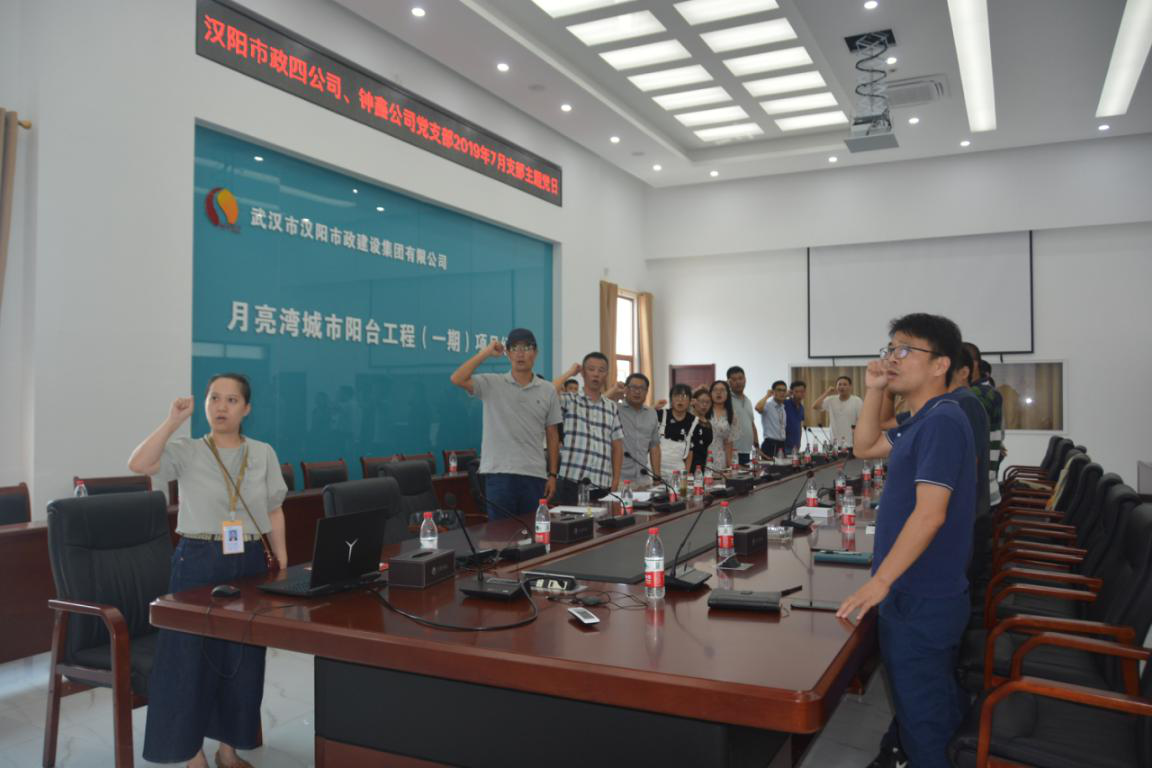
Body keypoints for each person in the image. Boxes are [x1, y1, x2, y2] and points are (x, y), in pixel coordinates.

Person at [128, 373, 288, 768]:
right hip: (198, 559)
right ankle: (192, 753)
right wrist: (172, 422)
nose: (221, 407)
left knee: (242, 658)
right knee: (188, 658)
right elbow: (139, 464)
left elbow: (274, 509)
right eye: (214, 398)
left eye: (231, 400)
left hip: (249, 560)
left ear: (246, 409)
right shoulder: (188, 450)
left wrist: (281, 560)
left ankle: (228, 750)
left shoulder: (263, 452)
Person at [839, 313, 975, 768]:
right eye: (889, 349)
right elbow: (864, 447)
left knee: (924, 726)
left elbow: (930, 514)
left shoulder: (943, 421)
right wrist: (874, 388)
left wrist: (880, 582)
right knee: (930, 707)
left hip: (921, 595)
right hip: (913, 588)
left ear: (940, 364)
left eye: (904, 350)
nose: (892, 359)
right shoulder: (924, 419)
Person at [450, 329, 561, 520]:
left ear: (535, 353)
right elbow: (457, 378)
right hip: (499, 473)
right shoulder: (492, 383)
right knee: (500, 534)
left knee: (532, 532)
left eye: (526, 348)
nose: (520, 353)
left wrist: (552, 474)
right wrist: (486, 352)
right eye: (514, 348)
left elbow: (552, 434)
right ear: (508, 353)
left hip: (534, 474)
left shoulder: (548, 390)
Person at [552, 353, 624, 503]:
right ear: (583, 373)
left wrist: (615, 480)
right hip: (571, 482)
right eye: (591, 369)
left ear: (606, 375)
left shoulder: (611, 407)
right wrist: (570, 372)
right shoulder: (570, 400)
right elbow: (548, 392)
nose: (596, 374)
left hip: (602, 483)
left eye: (601, 370)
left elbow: (617, 446)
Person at [964, 342, 1005, 506]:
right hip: (982, 490)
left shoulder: (978, 396)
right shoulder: (980, 392)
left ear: (972, 365)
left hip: (976, 493)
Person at [613, 373, 661, 485]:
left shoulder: (651, 413)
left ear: (647, 391)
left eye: (642, 388)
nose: (637, 392)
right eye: (633, 387)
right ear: (626, 389)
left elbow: (654, 447)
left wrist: (657, 477)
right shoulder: (615, 409)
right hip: (620, 479)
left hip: (644, 479)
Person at [655, 384, 710, 478]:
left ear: (690, 401)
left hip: (678, 471)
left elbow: (690, 451)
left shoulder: (694, 421)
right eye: (676, 396)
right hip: (656, 469)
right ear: (671, 399)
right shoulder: (660, 415)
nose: (680, 400)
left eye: (684, 396)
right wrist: (654, 407)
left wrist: (686, 475)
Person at [812, 376, 862, 448]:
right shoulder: (831, 399)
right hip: (834, 443)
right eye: (839, 384)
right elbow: (815, 406)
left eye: (845, 384)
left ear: (850, 387)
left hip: (851, 443)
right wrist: (827, 392)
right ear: (836, 387)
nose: (842, 387)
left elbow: (862, 421)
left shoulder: (857, 401)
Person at [726, 366, 759, 465]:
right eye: (734, 379)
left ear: (745, 379)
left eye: (740, 378)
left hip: (747, 451)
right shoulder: (726, 399)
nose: (738, 382)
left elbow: (751, 424)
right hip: (732, 451)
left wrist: (757, 446)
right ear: (729, 382)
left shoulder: (748, 401)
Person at [705, 379, 736, 470]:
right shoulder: (704, 410)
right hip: (703, 455)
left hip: (720, 458)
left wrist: (730, 466)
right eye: (715, 390)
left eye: (722, 390)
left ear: (727, 394)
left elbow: (728, 443)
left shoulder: (731, 415)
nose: (718, 393)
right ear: (710, 393)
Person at [755, 380, 789, 457]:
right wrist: (767, 396)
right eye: (779, 390)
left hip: (782, 444)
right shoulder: (768, 405)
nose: (782, 392)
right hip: (770, 444)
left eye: (784, 390)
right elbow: (757, 407)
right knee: (769, 465)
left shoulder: (782, 408)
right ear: (773, 392)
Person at [688, 387, 715, 473]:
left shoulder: (709, 424)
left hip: (703, 465)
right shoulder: (688, 420)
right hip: (688, 464)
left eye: (708, 402)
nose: (704, 405)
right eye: (701, 401)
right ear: (694, 402)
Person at [784, 380, 806, 452]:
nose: (799, 394)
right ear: (791, 392)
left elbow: (799, 426)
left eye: (802, 391)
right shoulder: (785, 403)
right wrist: (786, 395)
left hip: (796, 446)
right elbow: (775, 402)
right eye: (796, 391)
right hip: (784, 445)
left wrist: (799, 443)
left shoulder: (801, 408)